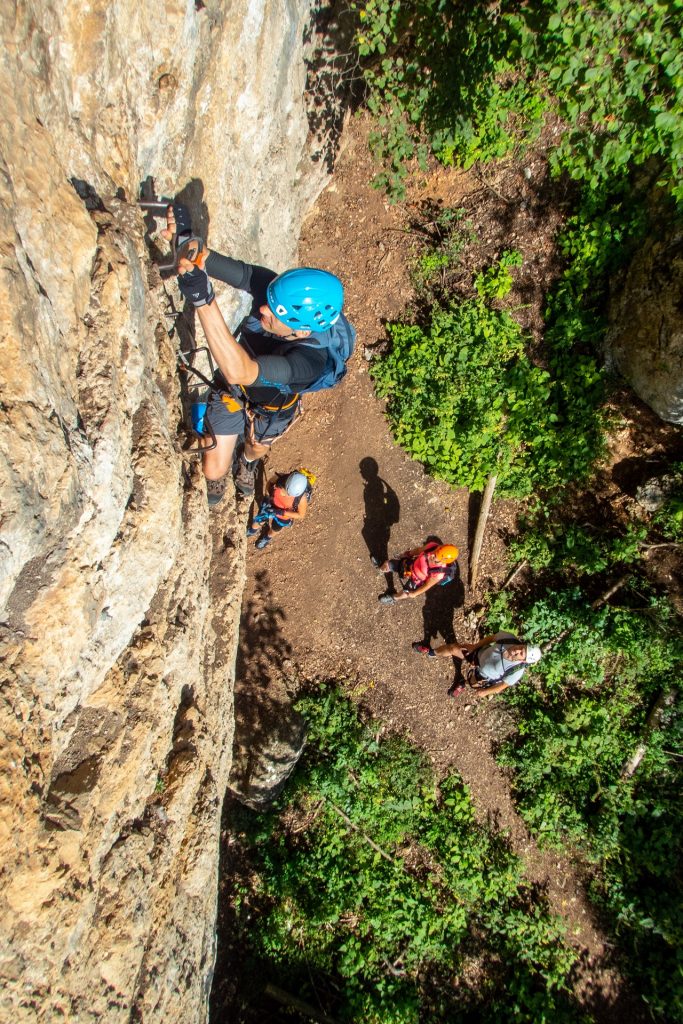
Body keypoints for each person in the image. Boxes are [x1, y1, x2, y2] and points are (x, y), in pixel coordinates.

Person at [164, 204, 355, 505]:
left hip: (268, 411)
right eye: (270, 301)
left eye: (276, 312)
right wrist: (188, 245)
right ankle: (229, 465)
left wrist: (202, 298)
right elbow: (226, 267)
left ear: (301, 332)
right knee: (213, 470)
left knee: (255, 447)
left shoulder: (309, 363)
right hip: (232, 391)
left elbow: (241, 370)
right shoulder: (276, 294)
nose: (264, 307)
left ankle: (247, 463)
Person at [412, 631, 542, 697]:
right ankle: (431, 652)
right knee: (453, 648)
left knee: (472, 682)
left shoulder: (516, 671)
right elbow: (491, 638)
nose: (518, 650)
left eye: (521, 653)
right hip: (479, 654)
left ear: (523, 660)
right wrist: (475, 646)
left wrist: (486, 692)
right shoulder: (509, 638)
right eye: (522, 648)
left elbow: (502, 685)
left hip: (484, 676)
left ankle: (463, 683)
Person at [247, 469, 313, 550]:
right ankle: (252, 530)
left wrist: (281, 512)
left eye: (288, 494)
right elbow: (269, 484)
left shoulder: (302, 499)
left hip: (283, 515)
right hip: (271, 504)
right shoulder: (279, 478)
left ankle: (267, 538)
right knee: (260, 519)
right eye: (284, 489)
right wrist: (267, 498)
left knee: (276, 528)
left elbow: (301, 515)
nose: (284, 493)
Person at [375, 541, 459, 604]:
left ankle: (393, 598)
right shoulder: (433, 546)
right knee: (389, 564)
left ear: (443, 561)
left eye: (435, 556)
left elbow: (427, 585)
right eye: (435, 551)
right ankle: (381, 568)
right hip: (411, 564)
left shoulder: (439, 572)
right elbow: (418, 550)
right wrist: (407, 554)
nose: (431, 554)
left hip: (417, 580)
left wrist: (415, 593)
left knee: (406, 592)